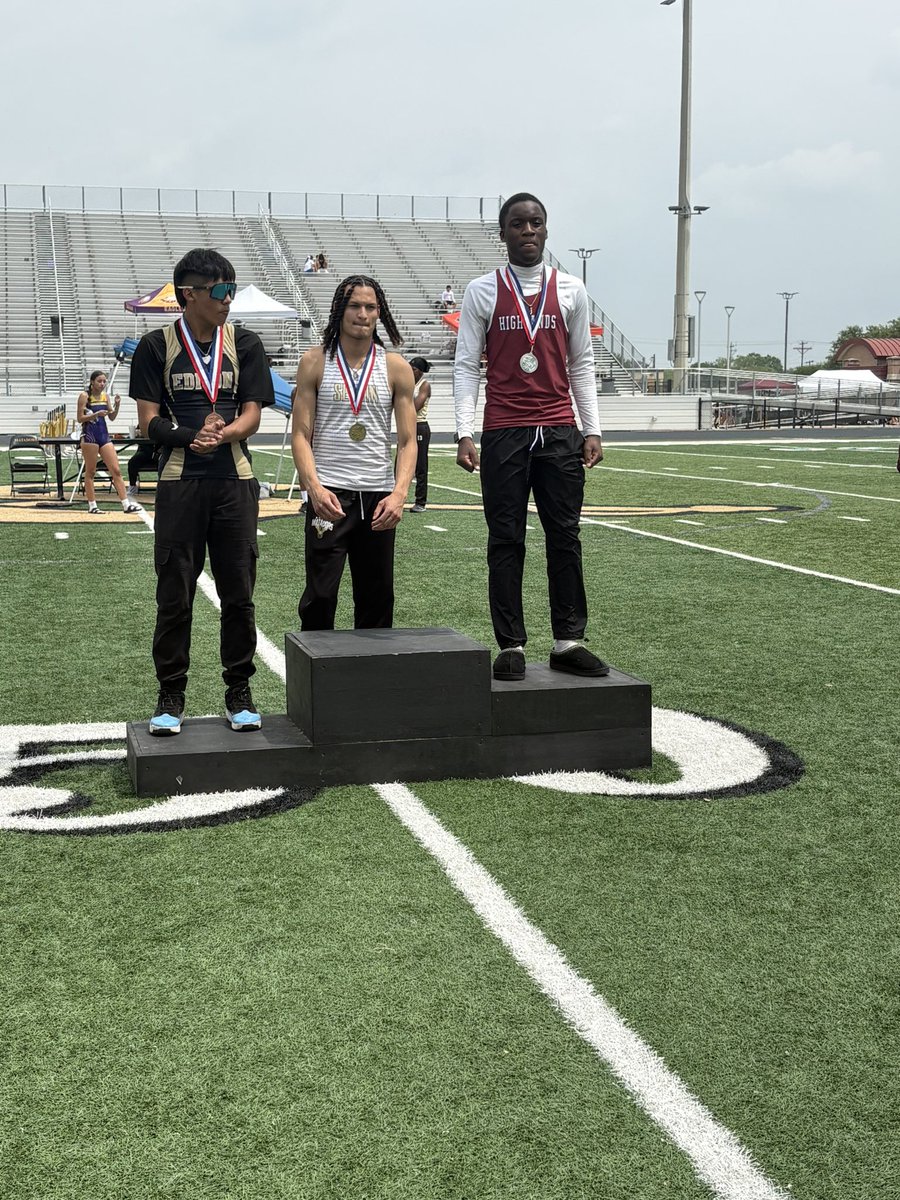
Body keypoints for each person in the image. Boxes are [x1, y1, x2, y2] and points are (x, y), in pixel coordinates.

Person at [453, 192, 607, 682]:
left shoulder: (571, 290)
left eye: (535, 223)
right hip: (503, 430)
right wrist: (464, 431)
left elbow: (582, 363)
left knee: (565, 536)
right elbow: (465, 366)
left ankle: (568, 640)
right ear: (502, 234)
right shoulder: (481, 291)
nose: (527, 231)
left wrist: (592, 428)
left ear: (546, 230)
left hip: (560, 429)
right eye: (517, 224)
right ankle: (511, 644)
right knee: (506, 539)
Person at [130, 248, 275, 736]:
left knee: (240, 595)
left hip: (234, 482)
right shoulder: (155, 346)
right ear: (188, 294)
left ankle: (239, 690)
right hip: (178, 483)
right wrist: (187, 436)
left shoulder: (247, 343)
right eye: (219, 290)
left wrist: (224, 433)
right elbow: (147, 422)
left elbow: (252, 414)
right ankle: (171, 693)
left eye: (231, 289)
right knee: (175, 595)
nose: (228, 299)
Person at [291, 274, 416, 630]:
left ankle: (371, 684)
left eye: (370, 307)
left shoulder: (396, 367)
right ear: (338, 310)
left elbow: (408, 442)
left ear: (380, 312)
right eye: (354, 306)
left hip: (378, 497)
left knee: (377, 600)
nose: (362, 314)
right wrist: (313, 488)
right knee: (320, 597)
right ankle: (316, 684)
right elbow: (301, 434)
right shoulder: (314, 362)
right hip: (330, 494)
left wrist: (399, 495)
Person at [76, 371, 141, 515]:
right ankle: (92, 505)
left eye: (104, 381)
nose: (102, 384)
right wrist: (95, 414)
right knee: (91, 471)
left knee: (116, 470)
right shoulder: (84, 396)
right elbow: (80, 418)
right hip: (90, 436)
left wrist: (117, 406)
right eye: (99, 381)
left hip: (104, 435)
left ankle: (126, 504)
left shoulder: (105, 397)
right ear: (92, 382)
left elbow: (111, 417)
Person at [408, 357, 432, 512]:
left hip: (420, 426)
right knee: (400, 464)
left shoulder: (424, 385)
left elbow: (416, 405)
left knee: (420, 466)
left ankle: (420, 502)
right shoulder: (408, 383)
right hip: (408, 425)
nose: (410, 371)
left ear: (421, 371)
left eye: (414, 369)